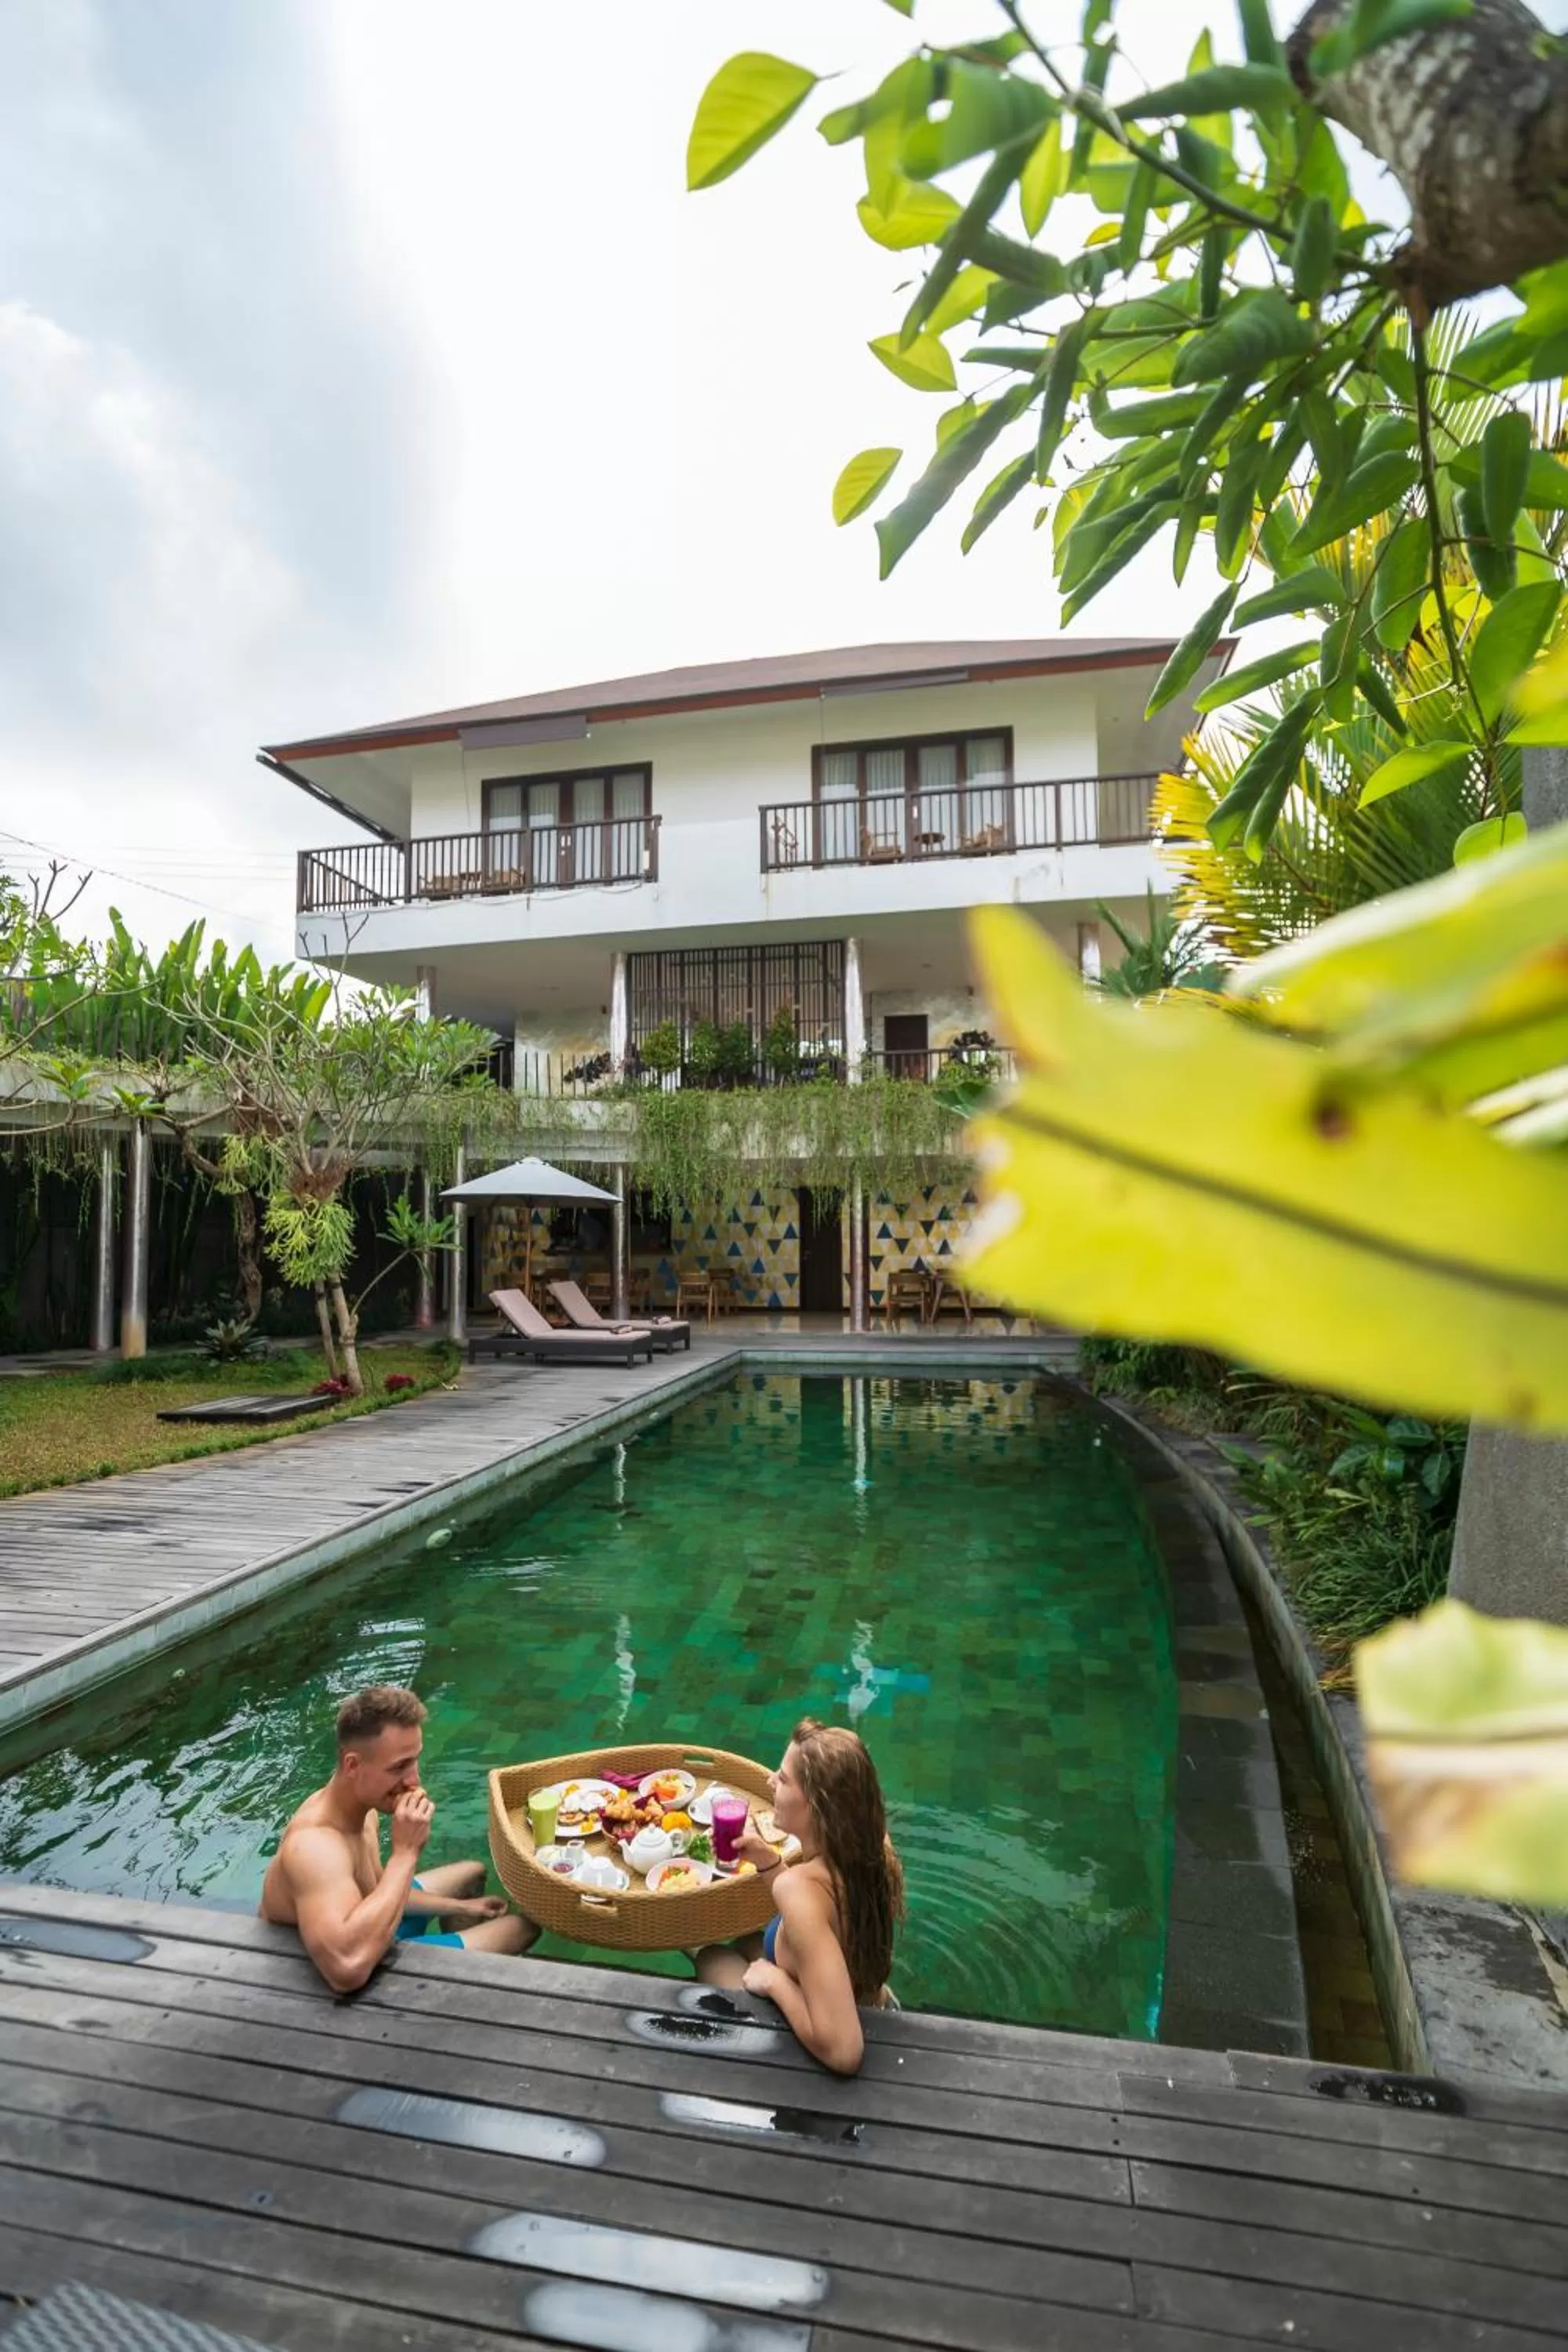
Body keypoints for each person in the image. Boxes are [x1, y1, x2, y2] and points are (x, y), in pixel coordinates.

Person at [260, 1683, 535, 1991]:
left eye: (414, 1759)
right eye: (399, 1767)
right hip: (351, 1968)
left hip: (371, 1927)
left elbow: (378, 1890)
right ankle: (443, 1981)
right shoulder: (315, 1847)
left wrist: (463, 1908)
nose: (413, 1780)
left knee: (472, 1872)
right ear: (353, 1765)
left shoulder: (363, 1808)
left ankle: (456, 1982)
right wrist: (406, 1853)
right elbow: (345, 1971)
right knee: (521, 1928)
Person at [695, 1717, 904, 2074]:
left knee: (709, 1955)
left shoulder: (799, 1889)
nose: (770, 1781)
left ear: (815, 1806)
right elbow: (823, 1913)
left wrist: (775, 1984)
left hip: (841, 2027)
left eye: (783, 1779)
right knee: (747, 1941)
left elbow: (845, 2053)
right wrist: (768, 1860)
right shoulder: (874, 1846)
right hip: (866, 1993)